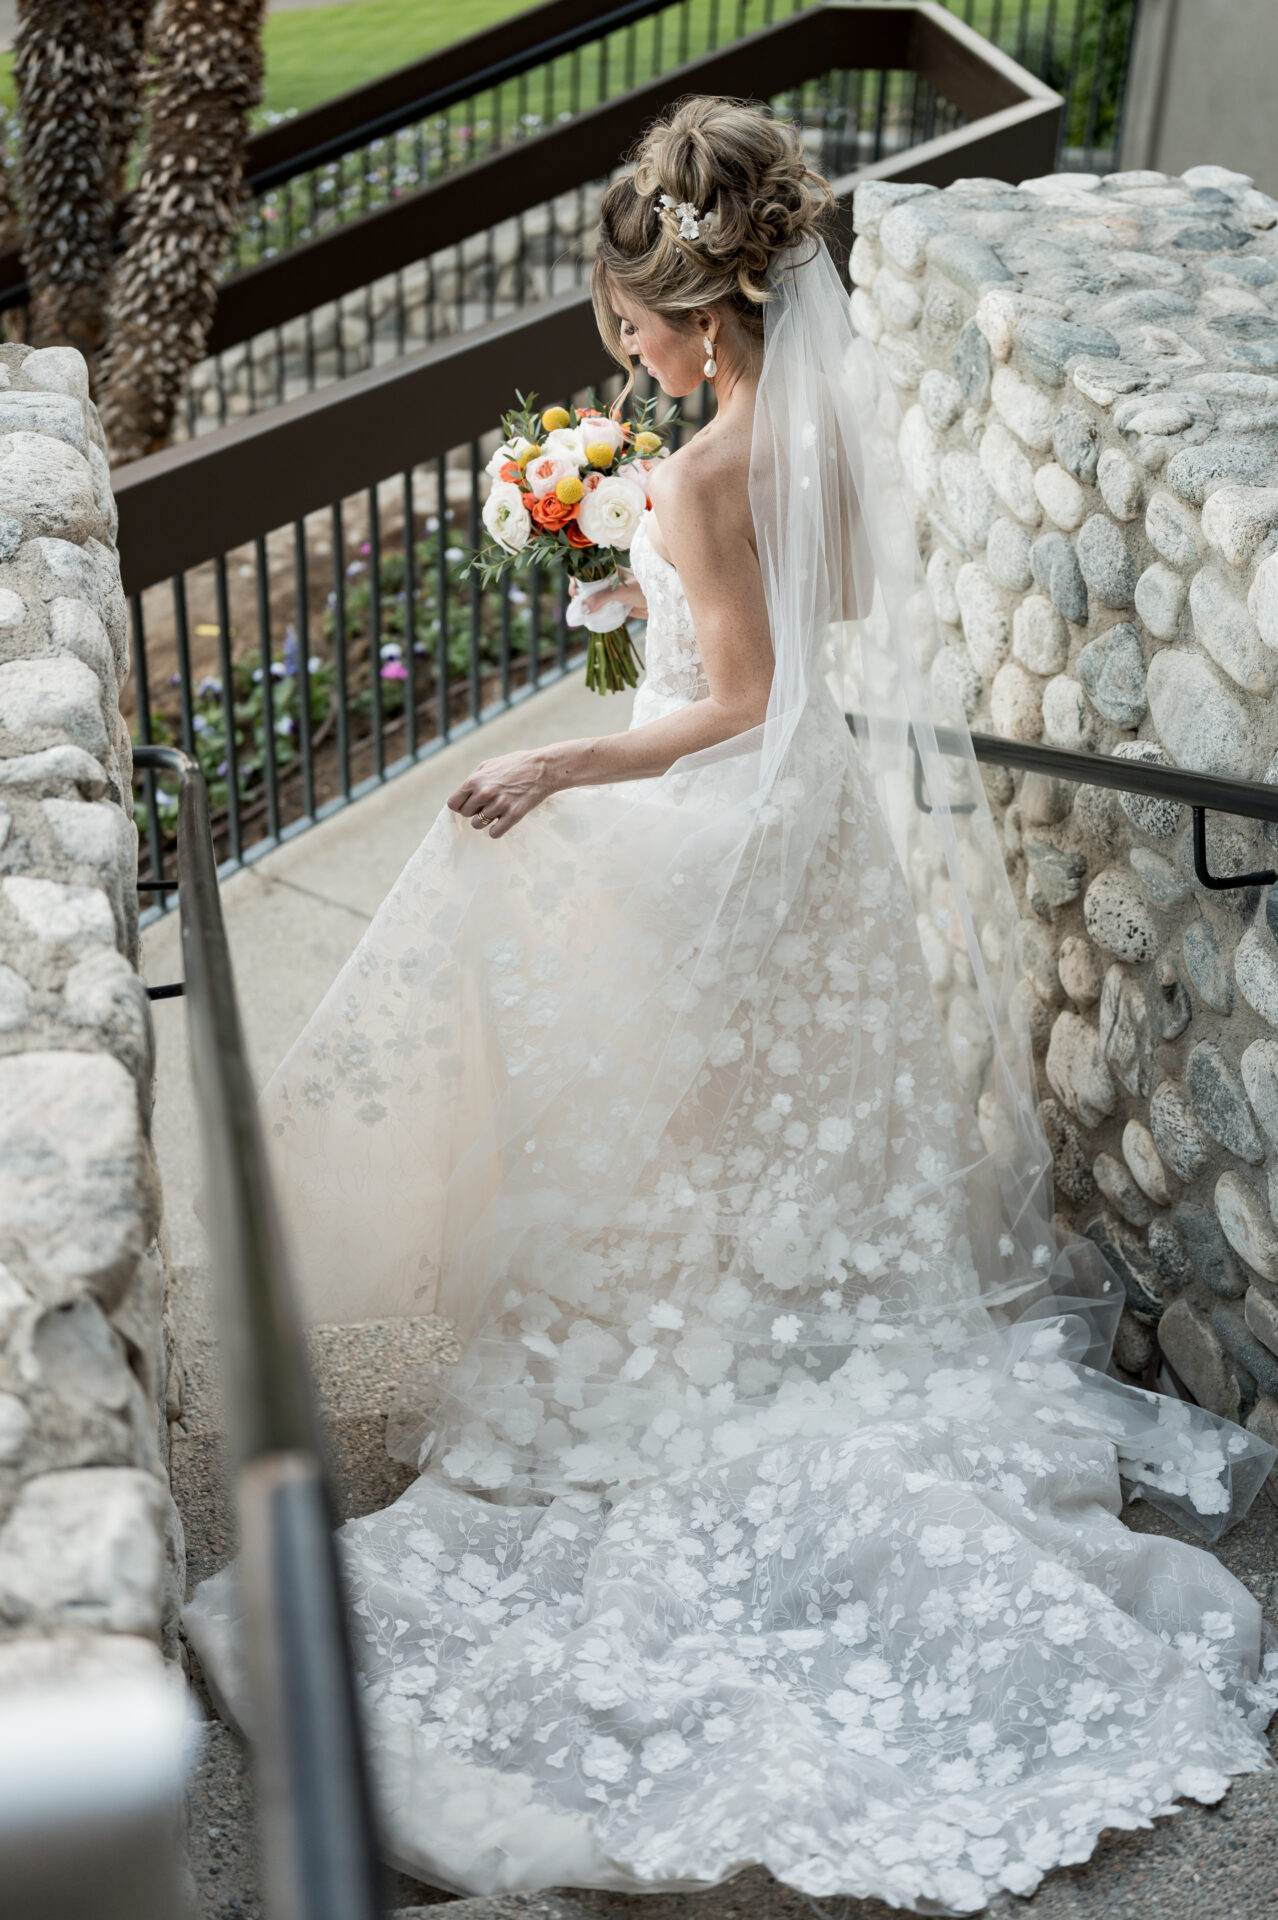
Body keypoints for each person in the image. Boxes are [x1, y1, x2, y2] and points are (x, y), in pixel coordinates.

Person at [186, 99, 1277, 1913]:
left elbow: (733, 702)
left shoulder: (701, 474)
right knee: (782, 1111)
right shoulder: (822, 426)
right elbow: (824, 621)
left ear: (689, 319)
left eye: (630, 330)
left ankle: (371, 1233)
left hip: (749, 803)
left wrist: (567, 766)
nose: (626, 357)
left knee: (518, 885)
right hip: (826, 821)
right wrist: (653, 589)